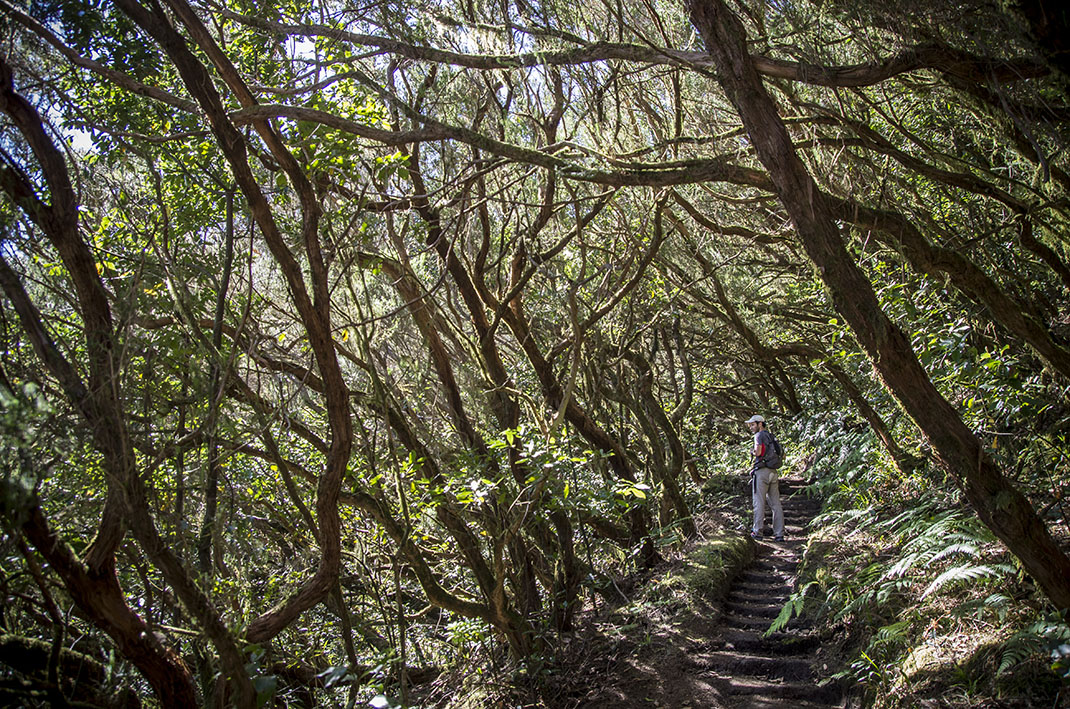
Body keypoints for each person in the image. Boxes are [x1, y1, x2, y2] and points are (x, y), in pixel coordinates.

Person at [745, 414, 784, 541]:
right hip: (773, 471)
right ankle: (779, 533)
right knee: (776, 503)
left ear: (760, 424)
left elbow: (759, 451)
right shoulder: (771, 436)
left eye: (753, 424)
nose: (751, 427)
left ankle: (757, 532)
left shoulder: (759, 435)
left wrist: (753, 452)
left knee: (759, 502)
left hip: (762, 472)